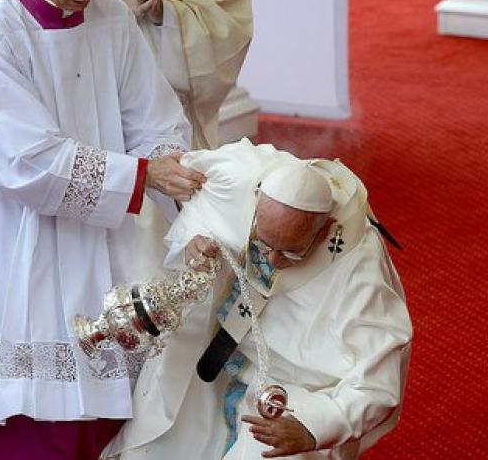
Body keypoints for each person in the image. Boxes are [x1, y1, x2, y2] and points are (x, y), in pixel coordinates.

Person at [0, 0, 201, 458]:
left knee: (109, 409)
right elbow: (22, 159)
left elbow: (154, 119)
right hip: (20, 242)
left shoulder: (113, 19)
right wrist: (140, 176)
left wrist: (169, 164)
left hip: (106, 238)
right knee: (23, 422)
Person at [103, 139, 413, 460]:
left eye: (292, 251)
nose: (274, 260)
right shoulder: (242, 174)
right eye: (264, 245)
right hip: (216, 358)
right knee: (151, 449)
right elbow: (184, 187)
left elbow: (378, 384)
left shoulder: (360, 268)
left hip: (298, 394)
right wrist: (193, 240)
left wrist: (313, 427)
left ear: (325, 231)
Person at [14, 0, 252, 149]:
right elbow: (36, 26)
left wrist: (166, 14)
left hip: (161, 121)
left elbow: (231, 23)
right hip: (87, 117)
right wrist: (122, 15)